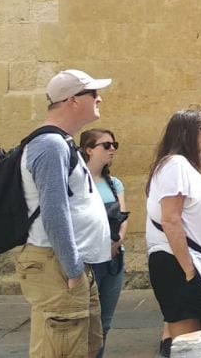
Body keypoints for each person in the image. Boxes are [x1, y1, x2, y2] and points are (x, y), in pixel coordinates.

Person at [18, 70, 113, 358]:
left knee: (83, 346)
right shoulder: (50, 145)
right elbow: (53, 210)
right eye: (92, 93)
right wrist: (72, 270)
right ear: (72, 100)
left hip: (69, 264)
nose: (99, 98)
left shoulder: (61, 142)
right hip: (57, 265)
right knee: (61, 349)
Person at [145, 110, 201, 356]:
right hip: (181, 266)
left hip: (200, 269)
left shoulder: (191, 169)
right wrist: (188, 271)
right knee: (189, 347)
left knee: (199, 347)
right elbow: (170, 219)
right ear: (188, 133)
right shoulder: (175, 165)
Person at [79, 128, 128, 358]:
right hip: (90, 259)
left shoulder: (114, 183)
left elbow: (123, 216)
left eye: (114, 145)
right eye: (106, 145)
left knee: (104, 322)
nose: (112, 150)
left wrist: (117, 241)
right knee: (86, 322)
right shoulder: (78, 181)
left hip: (114, 257)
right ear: (89, 149)